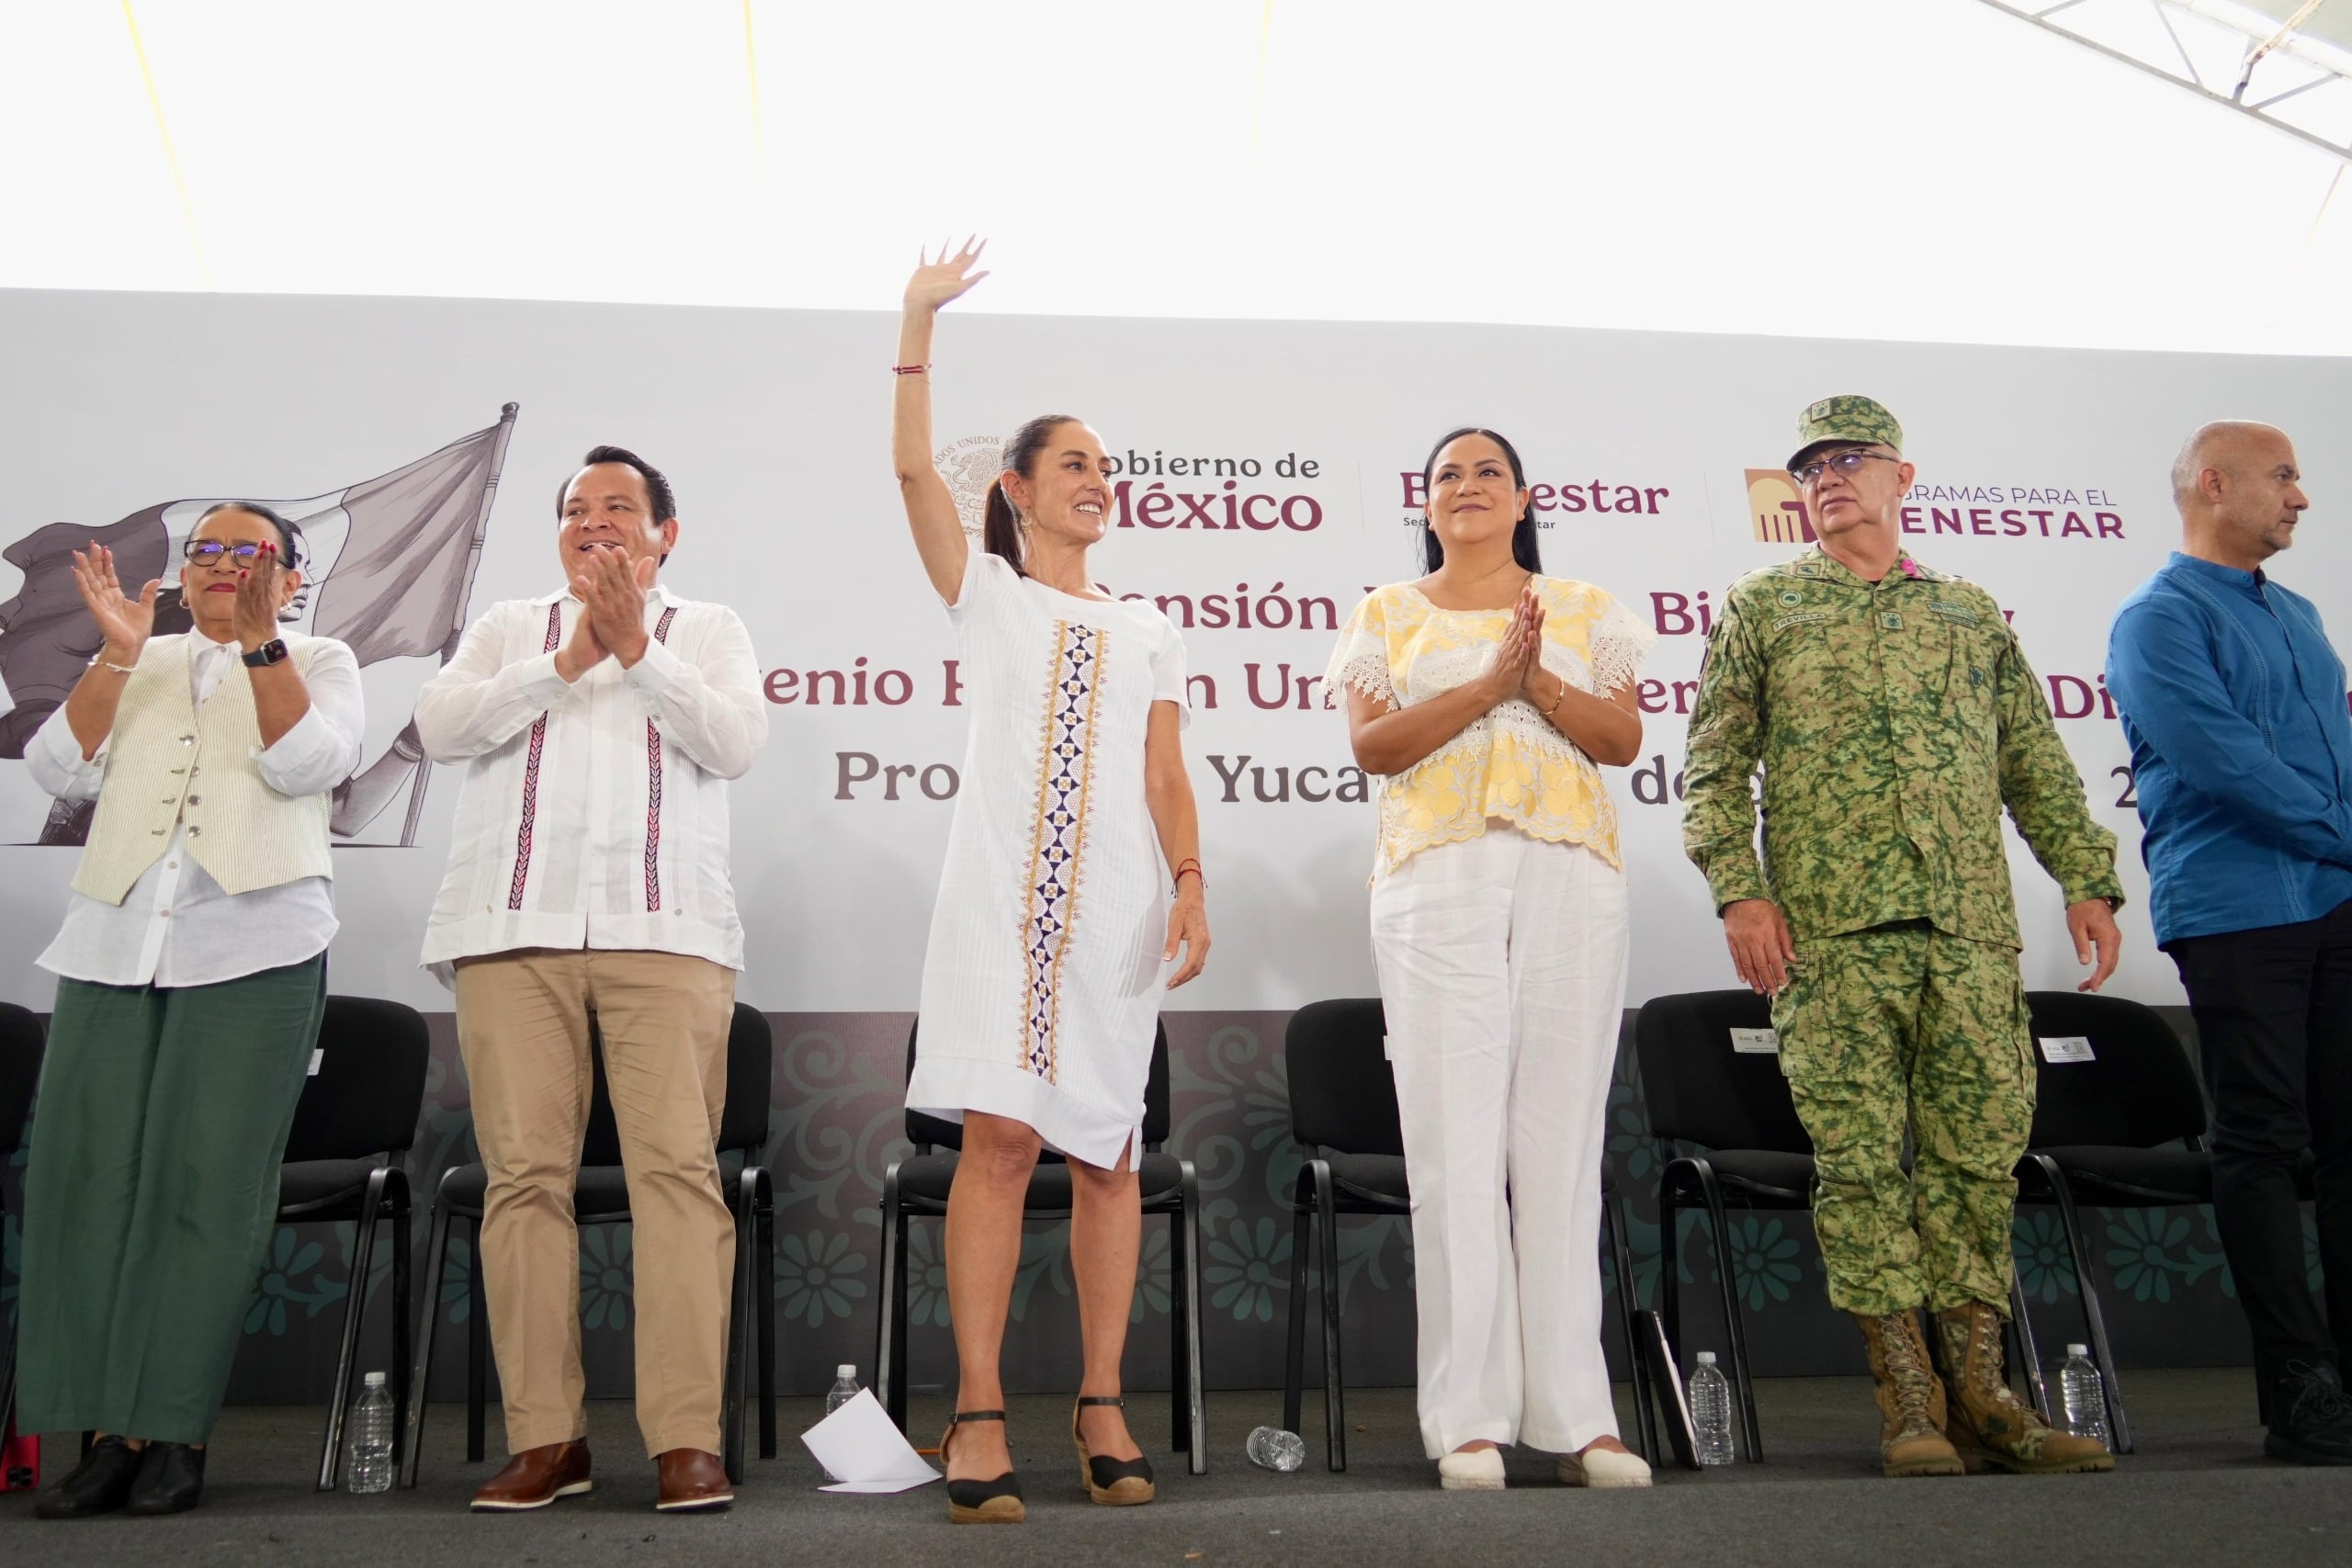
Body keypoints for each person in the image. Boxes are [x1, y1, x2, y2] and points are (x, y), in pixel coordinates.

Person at [1680, 395, 2122, 1478]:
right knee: (1863, 1168)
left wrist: (2087, 878)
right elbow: (1710, 766)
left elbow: (2033, 762)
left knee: (1976, 1166)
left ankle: (1984, 1394)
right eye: (1810, 468)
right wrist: (1742, 893)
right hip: (1830, 939)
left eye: (1850, 460)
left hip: (1969, 935)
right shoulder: (1765, 607)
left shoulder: (1969, 615)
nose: (1827, 479)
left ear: (1900, 478)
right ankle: (1907, 1402)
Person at [891, 240, 1209, 1525]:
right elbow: (914, 467)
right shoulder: (991, 597)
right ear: (1017, 487)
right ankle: (975, 1405)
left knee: (1109, 1147)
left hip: (1118, 912)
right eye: (1071, 460)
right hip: (996, 909)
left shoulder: (1146, 625)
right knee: (1001, 1137)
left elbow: (1165, 768)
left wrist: (1190, 878)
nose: (1096, 479)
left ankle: (1098, 1398)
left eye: (1104, 465)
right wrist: (917, 320)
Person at [415, 446, 767, 1513]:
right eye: (577, 508)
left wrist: (637, 652)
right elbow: (438, 728)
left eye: (621, 506)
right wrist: (569, 659)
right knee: (523, 1184)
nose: (596, 521)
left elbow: (735, 743)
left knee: (675, 1178)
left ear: (666, 533)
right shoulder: (505, 628)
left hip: (664, 937)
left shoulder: (707, 630)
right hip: (508, 933)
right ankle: (546, 1440)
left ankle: (684, 1442)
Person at [1322, 428, 1654, 1493]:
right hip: (1435, 877)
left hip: (1571, 874)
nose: (1466, 488)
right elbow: (1373, 749)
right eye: (1445, 476)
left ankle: (1576, 1419)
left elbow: (1619, 741)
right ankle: (1468, 1418)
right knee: (1453, 1145)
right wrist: (1490, 686)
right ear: (1426, 505)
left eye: (1486, 474)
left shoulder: (1588, 608)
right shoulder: (1386, 614)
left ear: (1521, 499)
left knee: (1557, 1143)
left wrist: (1537, 685)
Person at [18, 504, 360, 1517]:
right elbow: (58, 771)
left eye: (245, 551)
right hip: (116, 946)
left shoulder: (323, 656)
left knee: (205, 1196)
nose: (219, 565)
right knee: (90, 1190)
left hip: (254, 949)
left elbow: (307, 766)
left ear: (290, 579)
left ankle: (170, 1434)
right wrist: (119, 658)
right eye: (203, 551)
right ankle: (99, 1435)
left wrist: (258, 647)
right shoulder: (144, 659)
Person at [2106, 421, 2352, 1465]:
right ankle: (2296, 1388)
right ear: (2213, 484)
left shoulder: (2296, 614)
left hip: (2334, 900)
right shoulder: (2155, 619)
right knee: (2260, 1143)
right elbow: (2226, 766)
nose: (2301, 497)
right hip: (2239, 908)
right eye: (2282, 476)